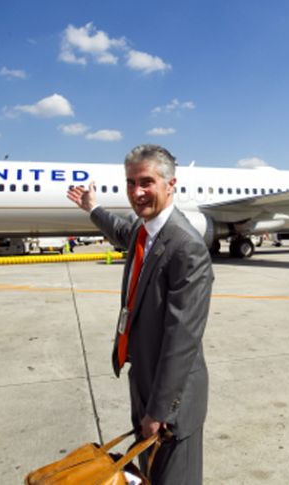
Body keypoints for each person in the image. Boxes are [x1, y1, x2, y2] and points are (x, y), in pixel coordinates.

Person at [66, 144, 213, 485]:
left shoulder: (186, 247)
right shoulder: (143, 231)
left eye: (146, 182)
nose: (137, 192)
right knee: (149, 475)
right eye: (131, 183)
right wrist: (92, 207)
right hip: (145, 379)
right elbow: (119, 229)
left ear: (170, 184)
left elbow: (182, 338)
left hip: (173, 398)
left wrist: (160, 410)